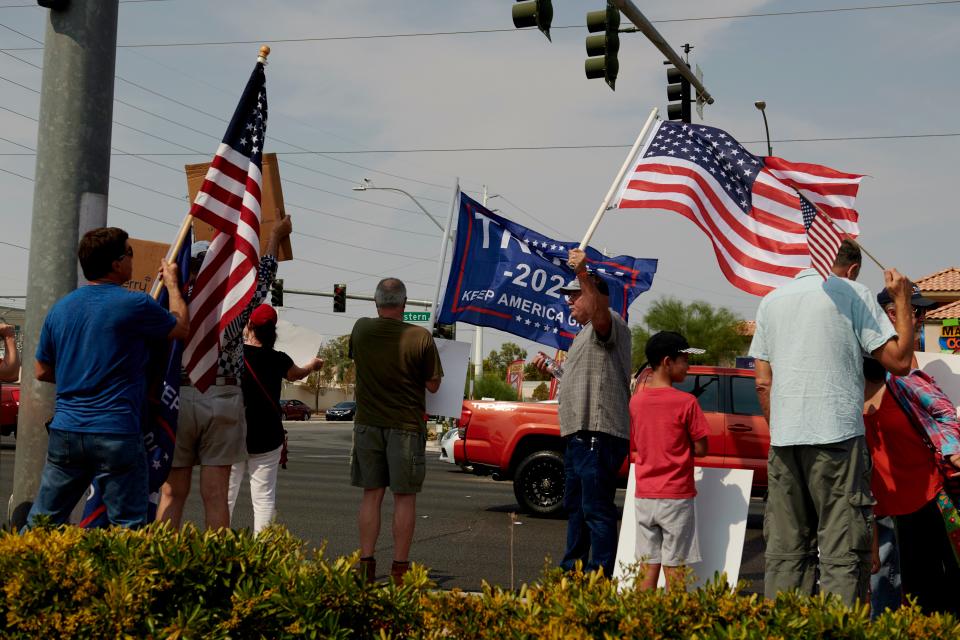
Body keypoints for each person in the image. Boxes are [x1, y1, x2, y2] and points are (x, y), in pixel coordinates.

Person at [749, 239, 915, 605]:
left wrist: (782, 428)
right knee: (843, 556)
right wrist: (902, 300)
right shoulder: (852, 292)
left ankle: (784, 629)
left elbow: (763, 381)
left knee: (786, 553)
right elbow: (900, 362)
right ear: (853, 268)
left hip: (786, 442)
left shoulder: (773, 300)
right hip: (837, 436)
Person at [27, 227, 188, 528]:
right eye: (130, 253)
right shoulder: (135, 304)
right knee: (128, 529)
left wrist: (81, 373)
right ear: (116, 264)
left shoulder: (60, 309)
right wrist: (174, 285)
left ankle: (17, 569)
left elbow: (41, 370)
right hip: (116, 431)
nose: (132, 259)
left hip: (66, 432)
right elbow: (180, 328)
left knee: (43, 523)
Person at [158, 216, 292, 530]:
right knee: (216, 494)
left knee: (171, 491)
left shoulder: (170, 303)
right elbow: (264, 277)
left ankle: (160, 565)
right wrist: (273, 236)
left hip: (177, 395)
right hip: (222, 396)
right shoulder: (236, 304)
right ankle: (216, 568)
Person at [863, 285, 960, 617]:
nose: (922, 318)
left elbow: (944, 412)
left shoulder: (904, 375)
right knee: (882, 592)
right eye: (917, 311)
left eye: (921, 312)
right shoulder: (872, 369)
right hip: (877, 506)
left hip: (920, 498)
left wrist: (951, 450)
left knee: (926, 592)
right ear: (892, 314)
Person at [533, 248, 632, 577]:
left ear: (595, 297)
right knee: (577, 508)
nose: (569, 302)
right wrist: (552, 370)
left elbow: (601, 315)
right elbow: (585, 380)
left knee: (595, 509)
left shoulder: (609, 323)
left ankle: (599, 578)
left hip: (597, 434)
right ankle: (572, 573)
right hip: (581, 434)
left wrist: (583, 272)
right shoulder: (583, 336)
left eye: (575, 296)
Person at [349, 277, 443, 582]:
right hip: (405, 426)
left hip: (367, 425)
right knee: (404, 498)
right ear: (404, 304)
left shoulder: (361, 329)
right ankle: (400, 570)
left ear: (376, 303)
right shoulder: (420, 337)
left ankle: (366, 564)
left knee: (370, 495)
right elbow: (433, 384)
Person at [228, 304, 323, 534]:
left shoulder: (234, 354)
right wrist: (313, 364)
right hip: (268, 434)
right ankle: (263, 553)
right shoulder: (278, 358)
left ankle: (218, 546)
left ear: (249, 326)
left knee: (226, 495)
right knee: (263, 498)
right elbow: (297, 373)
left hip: (234, 432)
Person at [630, 331, 709, 590]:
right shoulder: (687, 403)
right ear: (667, 362)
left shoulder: (636, 402)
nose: (688, 366)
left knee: (647, 563)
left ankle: (643, 624)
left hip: (645, 494)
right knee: (675, 565)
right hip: (675, 495)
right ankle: (676, 624)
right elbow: (701, 449)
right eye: (684, 359)